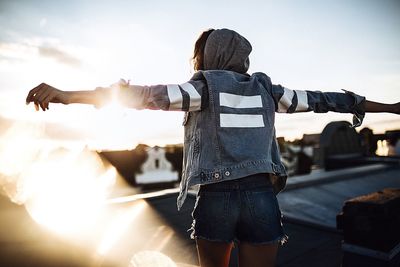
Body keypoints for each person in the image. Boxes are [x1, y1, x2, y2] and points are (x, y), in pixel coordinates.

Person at [26, 28, 400, 267]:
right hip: (261, 199)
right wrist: (390, 107)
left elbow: (140, 96)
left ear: (209, 57)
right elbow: (327, 99)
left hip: (216, 198)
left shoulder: (200, 89)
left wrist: (64, 94)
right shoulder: (270, 91)